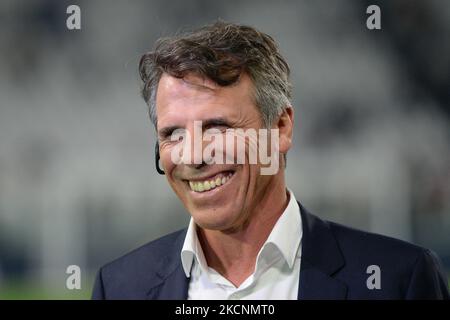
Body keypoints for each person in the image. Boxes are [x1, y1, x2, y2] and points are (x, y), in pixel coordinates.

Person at [92, 21, 449, 300]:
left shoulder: (399, 279)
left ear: (280, 127)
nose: (194, 155)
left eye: (217, 126)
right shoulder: (120, 287)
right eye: (173, 134)